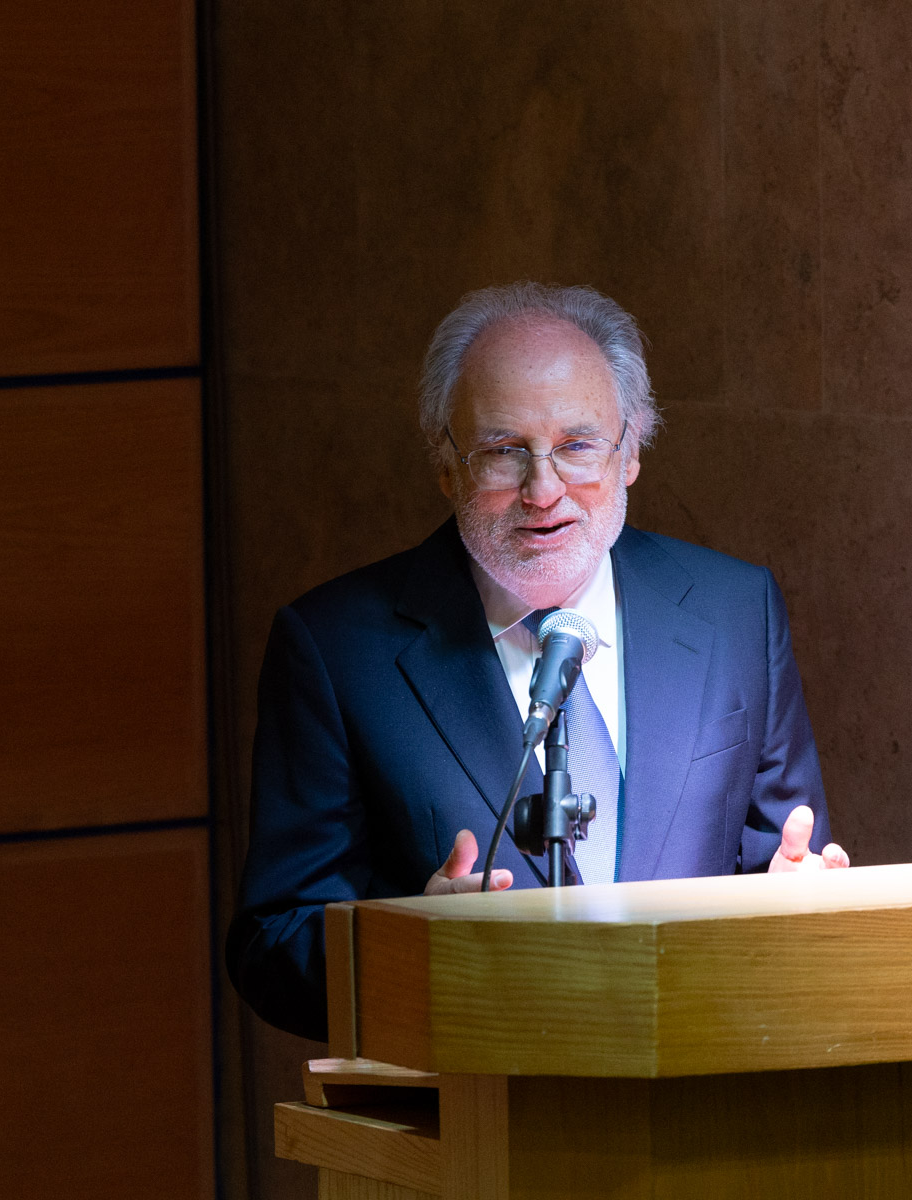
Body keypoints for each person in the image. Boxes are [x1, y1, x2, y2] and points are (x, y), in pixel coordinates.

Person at [230, 282, 846, 1041]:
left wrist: (796, 908)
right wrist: (411, 948)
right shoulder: (335, 648)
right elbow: (272, 943)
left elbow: (780, 860)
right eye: (503, 452)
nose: (543, 490)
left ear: (630, 452)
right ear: (447, 465)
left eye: (577, 446)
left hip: (695, 1083)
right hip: (481, 1093)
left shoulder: (735, 612)